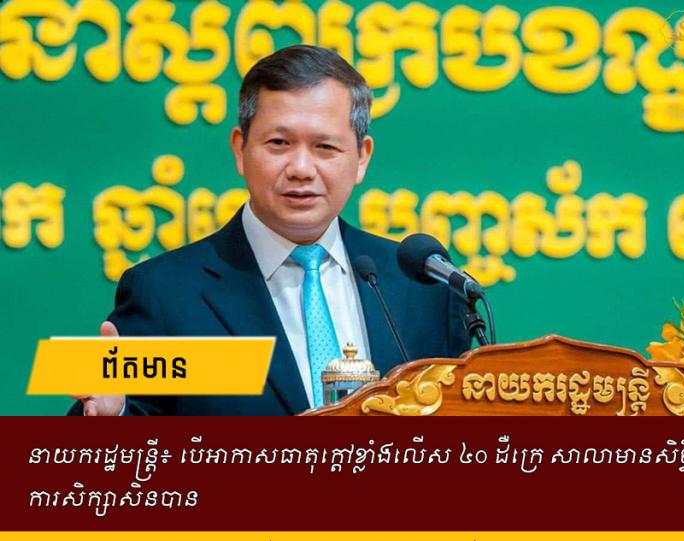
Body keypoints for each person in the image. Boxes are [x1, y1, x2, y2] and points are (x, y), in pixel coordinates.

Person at [71, 45, 470, 416]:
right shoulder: (165, 293)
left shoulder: (424, 289)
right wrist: (113, 415)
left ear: (361, 157)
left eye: (325, 147)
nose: (301, 169)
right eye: (279, 143)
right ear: (240, 149)